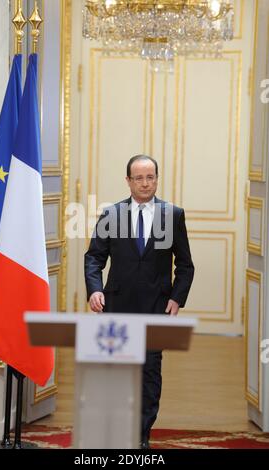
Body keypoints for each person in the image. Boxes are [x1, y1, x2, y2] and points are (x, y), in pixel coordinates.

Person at [84, 155, 194, 449]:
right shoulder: (112, 214)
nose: (146, 183)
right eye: (139, 178)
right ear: (128, 181)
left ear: (157, 179)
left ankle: (141, 434)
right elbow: (94, 257)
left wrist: (176, 298)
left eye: (151, 177)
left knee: (149, 372)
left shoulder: (173, 214)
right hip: (116, 306)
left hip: (155, 308)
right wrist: (95, 289)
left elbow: (185, 265)